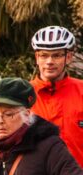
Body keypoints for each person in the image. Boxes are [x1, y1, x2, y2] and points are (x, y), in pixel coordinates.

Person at [29, 26, 82, 167]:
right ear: (37, 58)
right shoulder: (22, 94)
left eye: (57, 55)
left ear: (68, 57)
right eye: (44, 55)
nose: (49, 61)